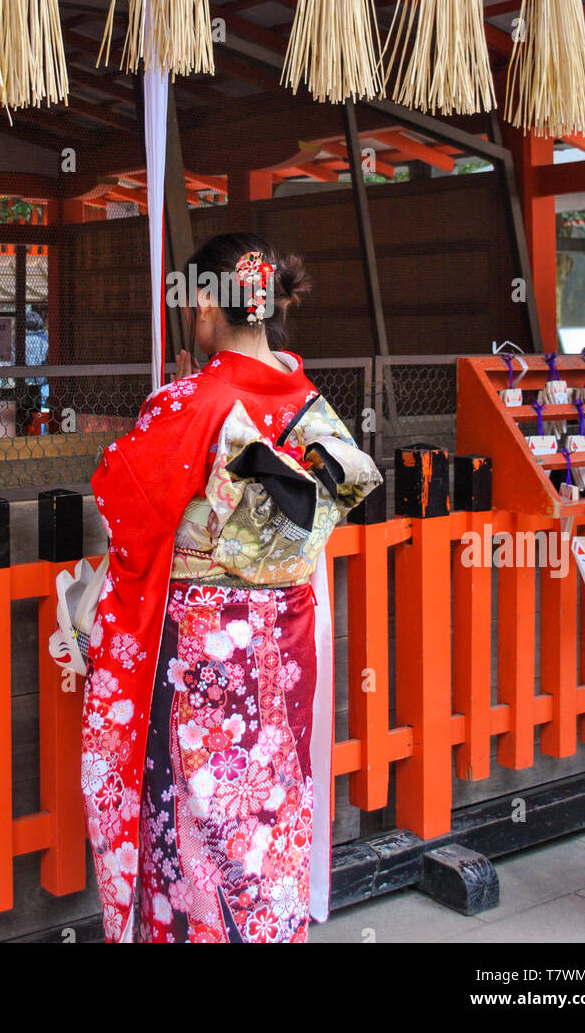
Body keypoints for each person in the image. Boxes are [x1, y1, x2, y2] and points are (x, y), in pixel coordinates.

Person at [80, 232, 382, 943]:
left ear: (210, 305)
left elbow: (117, 502)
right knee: (267, 812)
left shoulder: (188, 402)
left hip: (203, 656)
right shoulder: (310, 402)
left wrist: (180, 396)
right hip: (285, 644)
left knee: (192, 814)